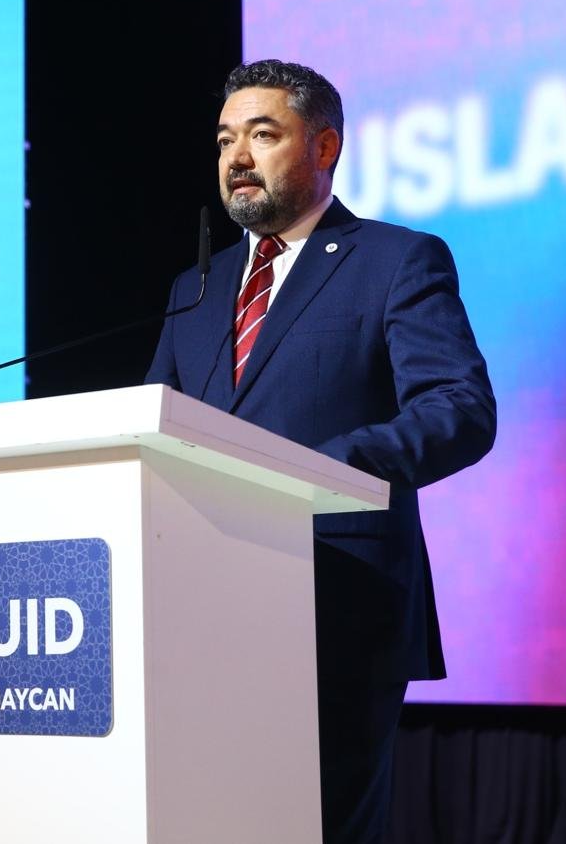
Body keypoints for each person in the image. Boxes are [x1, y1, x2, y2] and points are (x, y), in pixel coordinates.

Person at [145, 59, 496, 844]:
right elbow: (154, 432)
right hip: (198, 607)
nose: (237, 157)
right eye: (225, 140)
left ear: (325, 146)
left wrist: (329, 466)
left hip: (339, 604)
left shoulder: (394, 260)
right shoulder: (195, 288)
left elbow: (461, 409)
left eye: (263, 135)